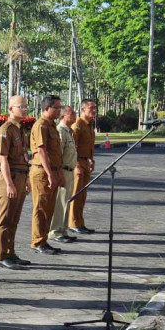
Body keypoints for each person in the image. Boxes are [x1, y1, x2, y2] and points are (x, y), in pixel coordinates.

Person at [0, 95, 32, 271]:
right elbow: (3, 160)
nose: (25, 109)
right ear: (10, 109)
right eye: (21, 107)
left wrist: (27, 180)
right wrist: (9, 184)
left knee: (14, 218)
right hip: (10, 178)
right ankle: (1, 255)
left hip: (21, 176)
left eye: (26, 106)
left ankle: (10, 252)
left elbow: (24, 157)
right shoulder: (6, 129)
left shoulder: (20, 129)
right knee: (5, 218)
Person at [29, 95, 64, 255]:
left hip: (53, 171)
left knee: (49, 208)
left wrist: (58, 173)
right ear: (46, 108)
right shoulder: (41, 125)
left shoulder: (51, 125)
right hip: (42, 172)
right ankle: (37, 241)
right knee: (41, 207)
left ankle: (43, 240)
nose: (59, 111)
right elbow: (42, 152)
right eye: (56, 107)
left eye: (59, 107)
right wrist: (50, 174)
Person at [49, 105, 79, 245]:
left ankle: (63, 230)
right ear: (62, 116)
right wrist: (58, 173)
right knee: (60, 202)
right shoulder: (60, 131)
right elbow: (57, 155)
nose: (75, 114)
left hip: (70, 171)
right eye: (71, 113)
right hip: (63, 171)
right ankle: (55, 231)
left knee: (67, 201)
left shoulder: (69, 131)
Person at [70, 100, 97, 235]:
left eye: (94, 108)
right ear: (83, 109)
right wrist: (76, 165)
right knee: (76, 194)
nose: (94, 111)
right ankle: (73, 222)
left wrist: (91, 159)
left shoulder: (90, 125)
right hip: (78, 163)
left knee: (83, 195)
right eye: (91, 108)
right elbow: (72, 147)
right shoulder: (78, 125)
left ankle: (80, 222)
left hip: (86, 162)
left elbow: (90, 144)